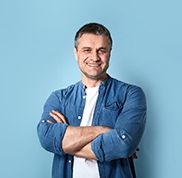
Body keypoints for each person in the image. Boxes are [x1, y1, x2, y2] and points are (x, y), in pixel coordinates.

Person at [37, 22, 146, 178]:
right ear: (76, 53)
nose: (94, 57)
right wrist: (101, 131)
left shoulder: (131, 94)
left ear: (110, 53)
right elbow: (47, 138)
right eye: (87, 50)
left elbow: (123, 145)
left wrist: (65, 142)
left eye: (101, 50)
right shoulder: (59, 98)